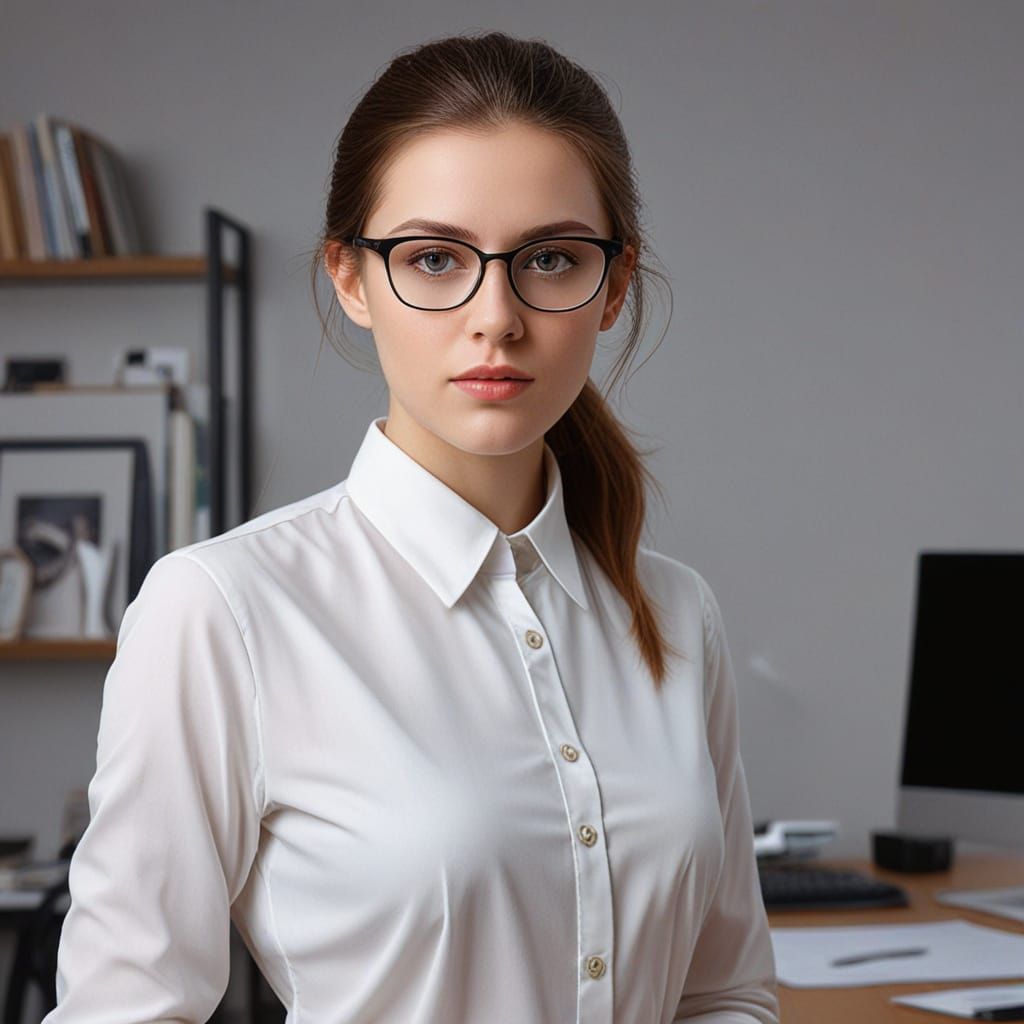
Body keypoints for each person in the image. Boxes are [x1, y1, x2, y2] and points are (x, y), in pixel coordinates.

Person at [44, 30, 779, 1024]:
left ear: (612, 285)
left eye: (550, 259)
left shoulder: (677, 611)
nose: (496, 316)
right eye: (434, 258)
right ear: (351, 278)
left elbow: (723, 991)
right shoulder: (221, 610)